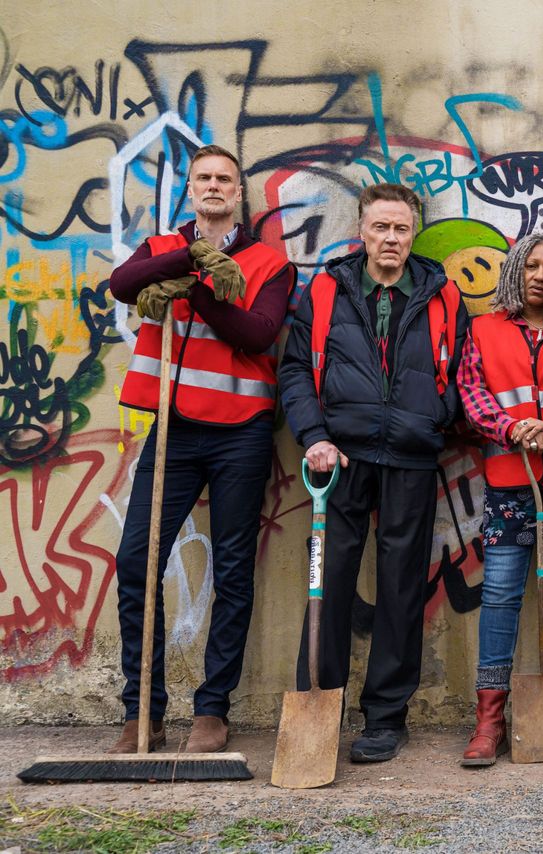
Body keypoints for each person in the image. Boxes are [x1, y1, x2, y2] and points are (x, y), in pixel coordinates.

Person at [107, 144, 295, 754]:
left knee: (234, 571)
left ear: (239, 192)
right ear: (190, 189)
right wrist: (187, 259)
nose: (213, 186)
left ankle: (211, 710)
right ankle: (144, 709)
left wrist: (204, 289)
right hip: (175, 429)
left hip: (242, 432)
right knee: (136, 561)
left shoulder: (269, 263)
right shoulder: (164, 250)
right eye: (203, 178)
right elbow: (121, 285)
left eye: (224, 179)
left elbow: (258, 333)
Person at [278, 183, 469, 763]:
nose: (390, 238)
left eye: (401, 229)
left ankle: (386, 717)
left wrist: (436, 419)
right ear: (361, 230)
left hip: (411, 457)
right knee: (327, 582)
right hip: (337, 460)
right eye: (380, 227)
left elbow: (463, 371)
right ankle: (320, 700)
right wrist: (314, 437)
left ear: (414, 234)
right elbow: (294, 369)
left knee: (401, 590)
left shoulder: (443, 295)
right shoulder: (328, 289)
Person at [458, 233, 543, 767]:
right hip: (511, 481)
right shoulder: (484, 329)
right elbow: (473, 394)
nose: (540, 276)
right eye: (530, 266)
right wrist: (512, 428)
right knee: (500, 595)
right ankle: (490, 719)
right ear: (515, 271)